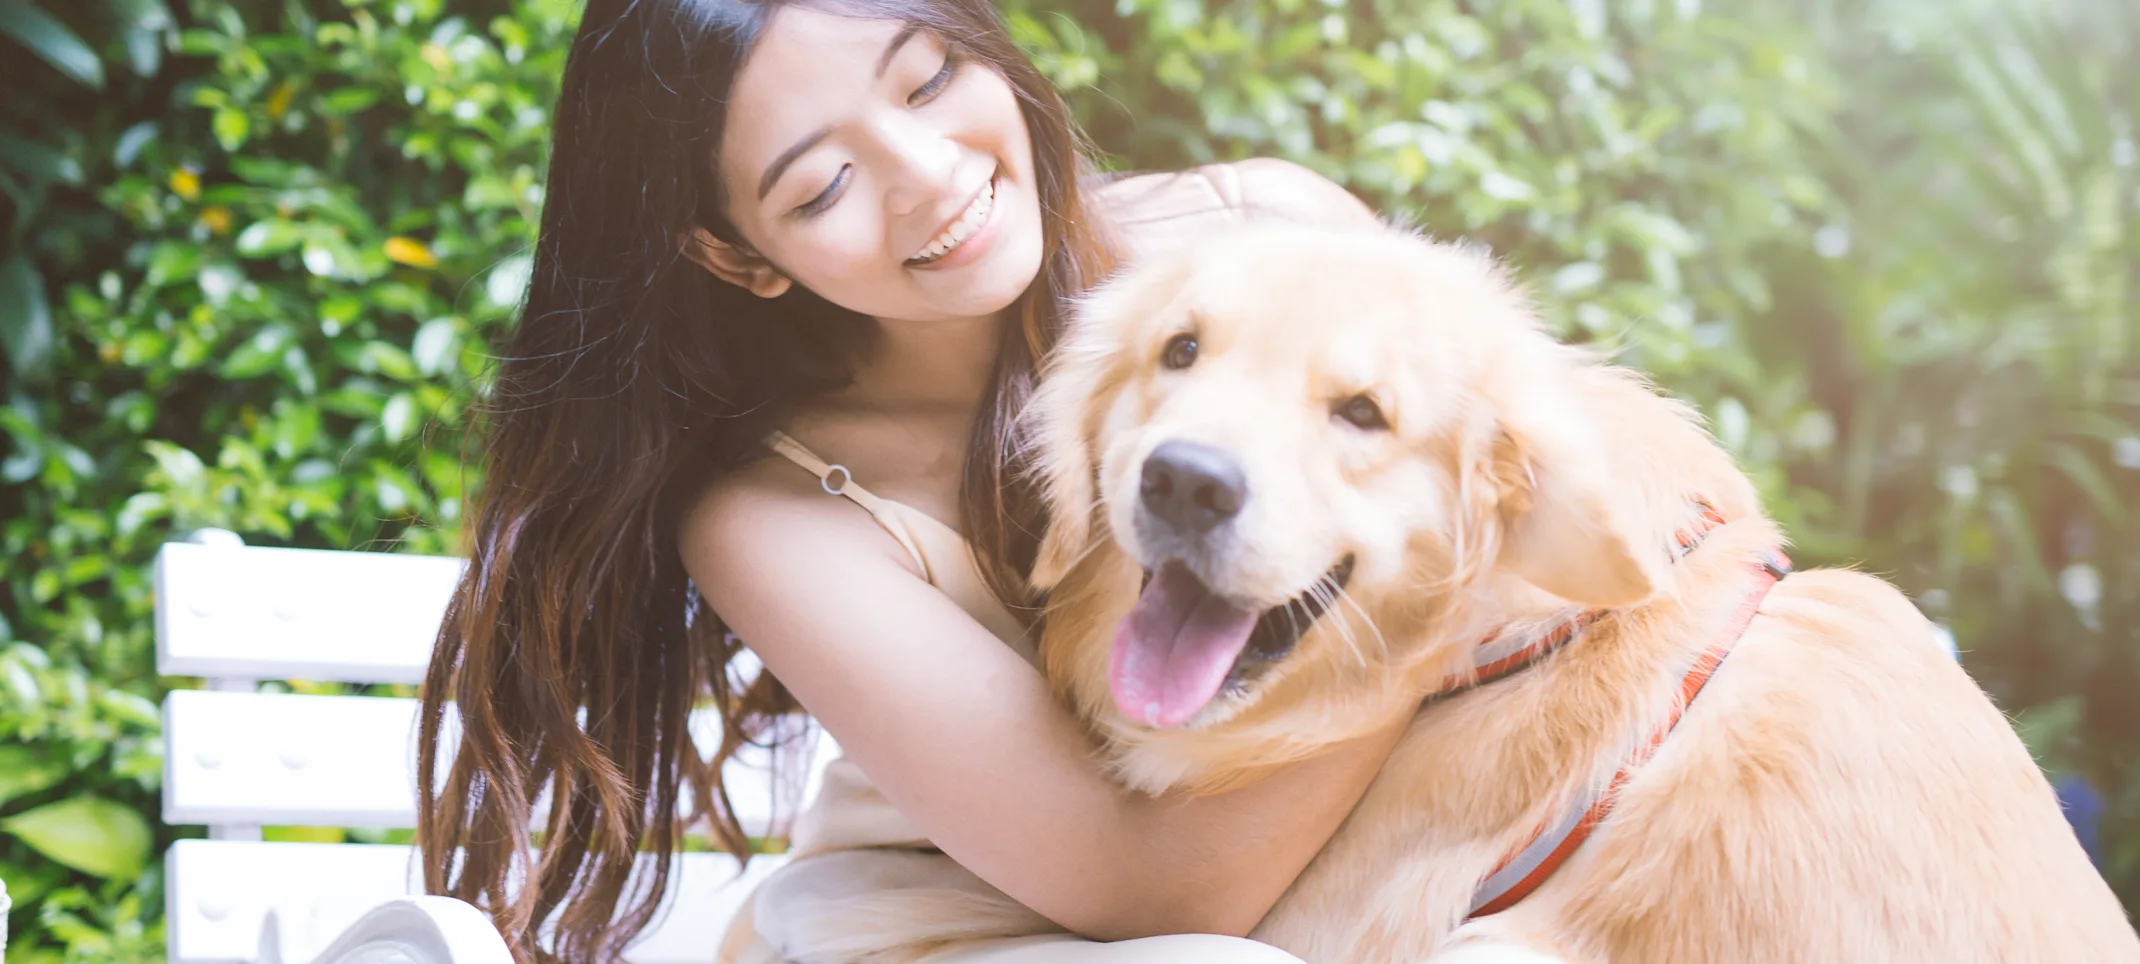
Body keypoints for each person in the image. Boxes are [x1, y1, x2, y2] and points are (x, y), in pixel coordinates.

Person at [415, 0, 1406, 960]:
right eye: (822, 186)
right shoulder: (776, 514)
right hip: (931, 924)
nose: (927, 176)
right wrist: (1438, 621)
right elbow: (1149, 887)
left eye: (930, 79)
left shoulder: (1261, 233)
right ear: (736, 253)